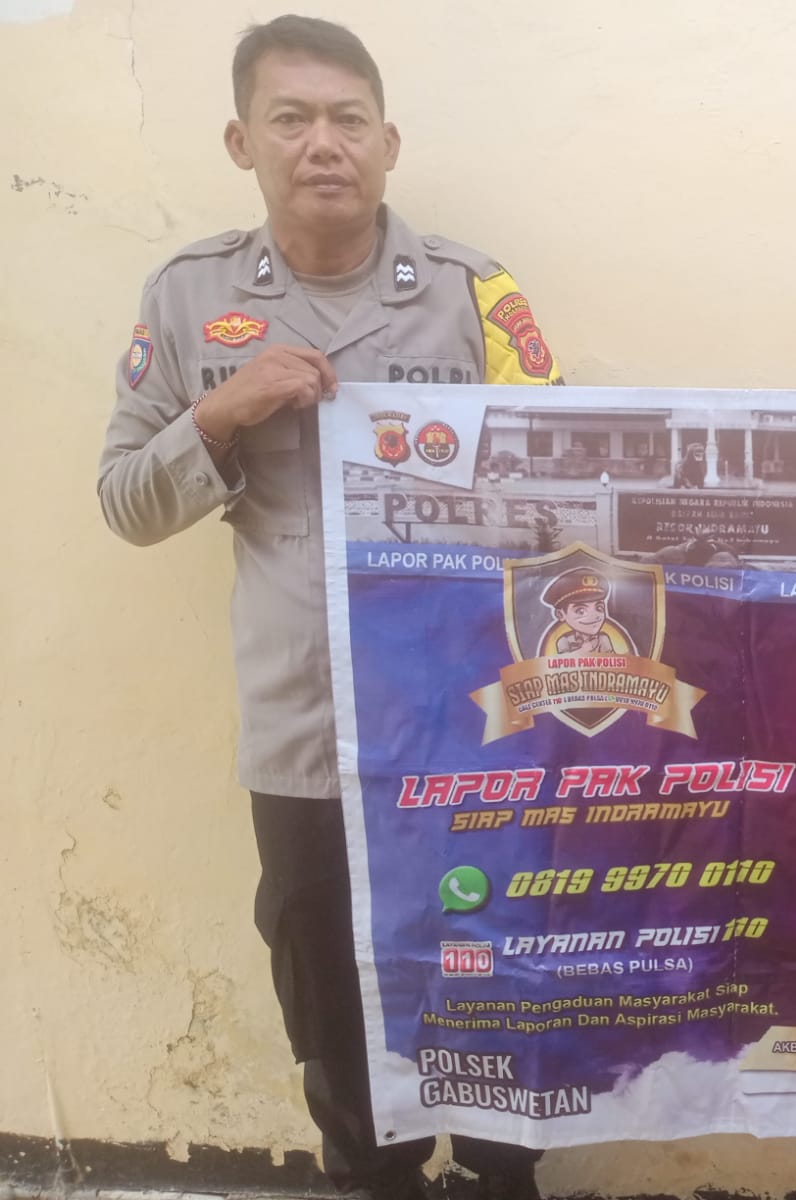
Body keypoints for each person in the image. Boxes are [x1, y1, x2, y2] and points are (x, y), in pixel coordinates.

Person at [97, 16, 561, 1200]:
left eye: (348, 119)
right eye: (291, 119)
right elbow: (126, 504)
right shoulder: (190, 298)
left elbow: (567, 489)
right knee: (334, 1011)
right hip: (306, 738)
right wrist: (221, 413)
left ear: (387, 142)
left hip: (469, 733)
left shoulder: (474, 294)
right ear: (241, 140)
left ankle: (502, 1178)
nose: (322, 144)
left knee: (498, 989)